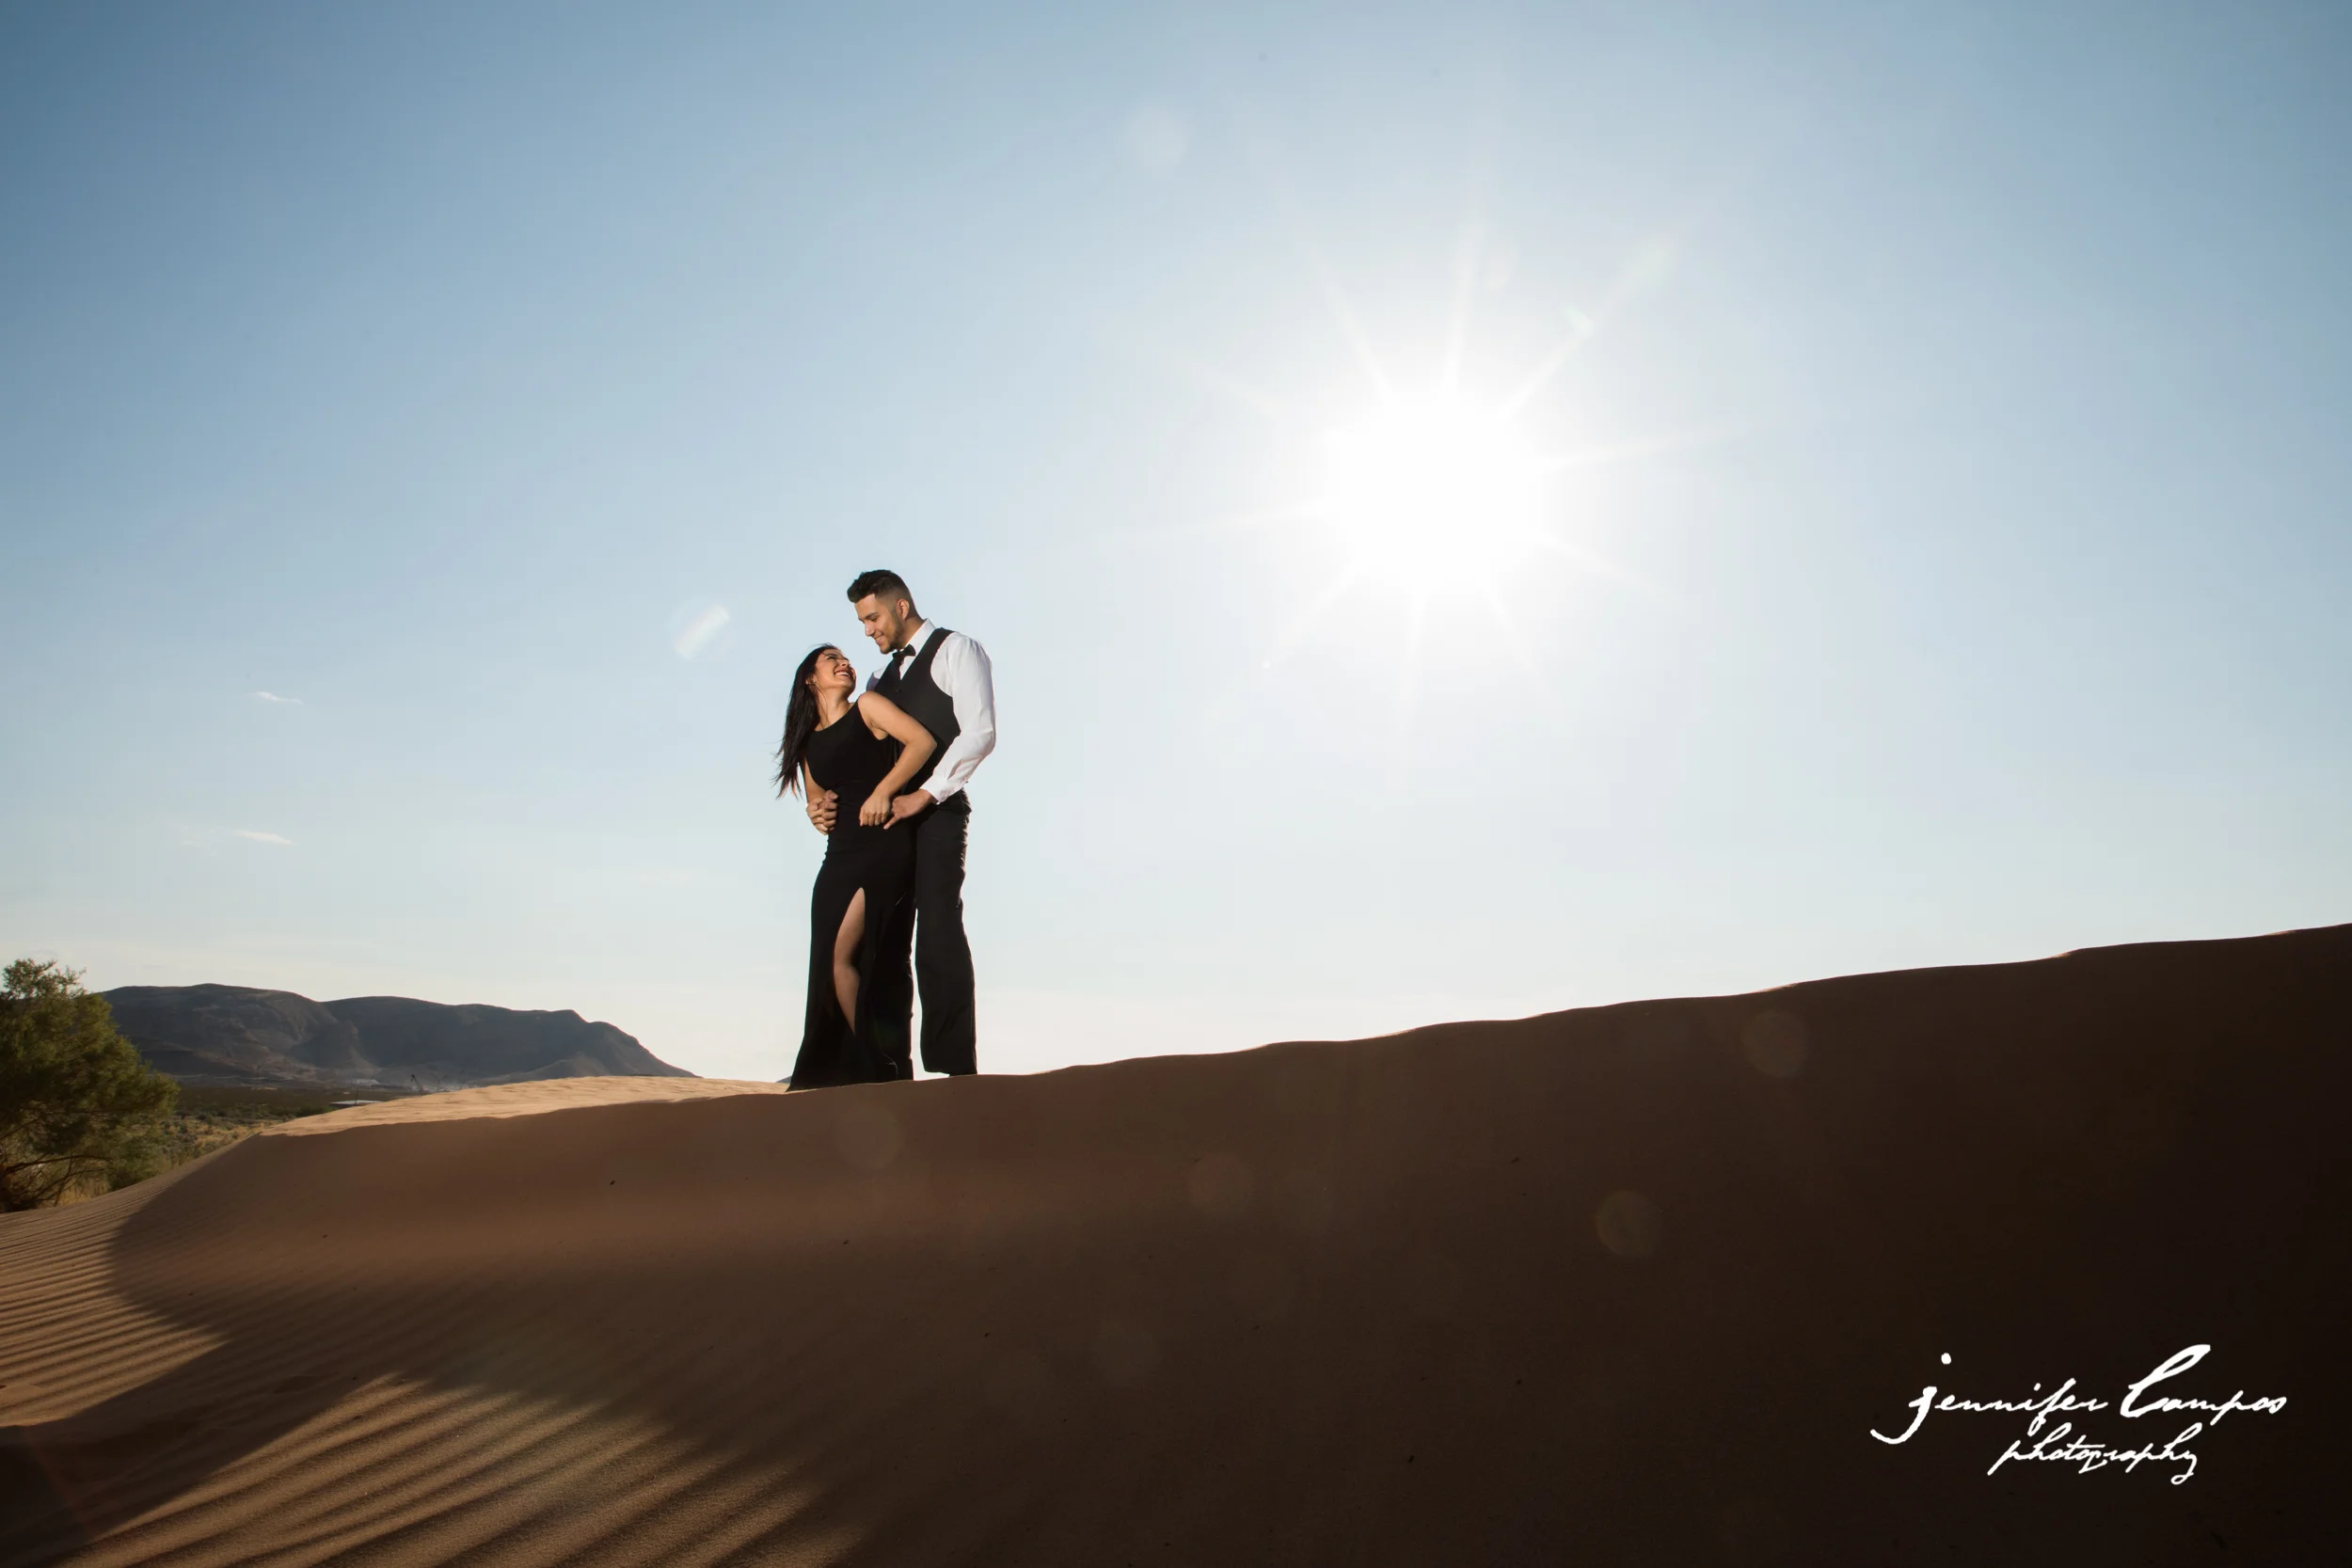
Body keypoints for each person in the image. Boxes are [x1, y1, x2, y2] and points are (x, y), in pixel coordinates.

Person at [803, 569, 995, 1077]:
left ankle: (956, 1071)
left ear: (901, 607)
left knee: (937, 928)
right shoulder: (875, 682)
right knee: (885, 947)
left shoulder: (957, 650)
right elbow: (853, 754)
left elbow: (979, 733)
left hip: (938, 814)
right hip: (885, 832)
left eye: (872, 618)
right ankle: (893, 1070)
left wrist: (925, 794)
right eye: (862, 622)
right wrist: (820, 803)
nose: (868, 631)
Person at [774, 643, 937, 1088]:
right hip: (838, 858)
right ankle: (855, 1068)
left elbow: (922, 743)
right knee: (828, 963)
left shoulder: (867, 706)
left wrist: (884, 791)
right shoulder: (808, 744)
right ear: (810, 678)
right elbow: (816, 802)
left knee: (842, 956)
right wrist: (817, 812)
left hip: (882, 845)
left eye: (845, 657)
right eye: (832, 658)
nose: (844, 662)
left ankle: (876, 1066)